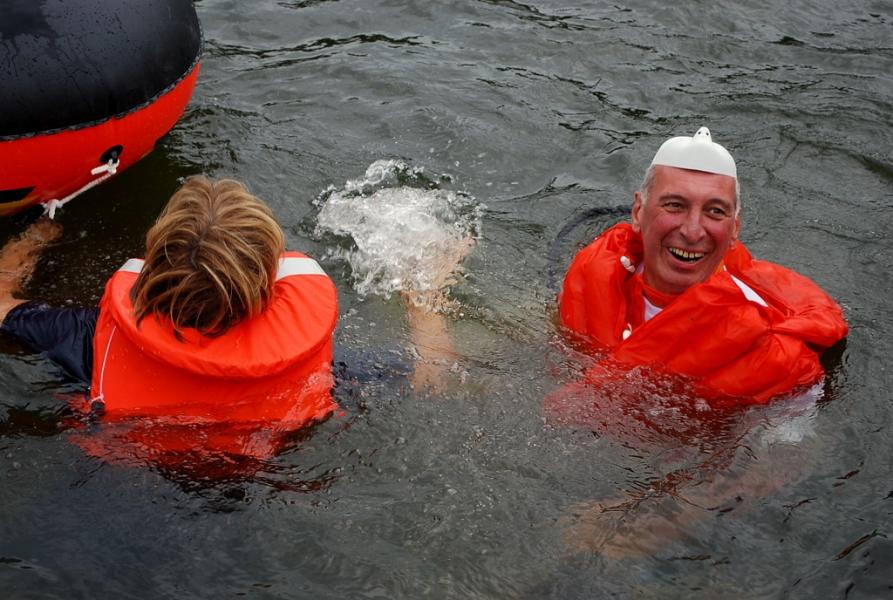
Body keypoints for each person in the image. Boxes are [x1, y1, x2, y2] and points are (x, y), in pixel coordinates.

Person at [0, 176, 338, 457]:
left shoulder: (86, 335)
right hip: (249, 479)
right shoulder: (303, 358)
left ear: (154, 264)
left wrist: (34, 237)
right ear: (266, 281)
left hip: (128, 470)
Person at [557, 126, 848, 407]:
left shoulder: (772, 353)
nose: (693, 231)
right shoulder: (592, 270)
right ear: (637, 212)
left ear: (734, 228)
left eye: (715, 211)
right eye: (674, 205)